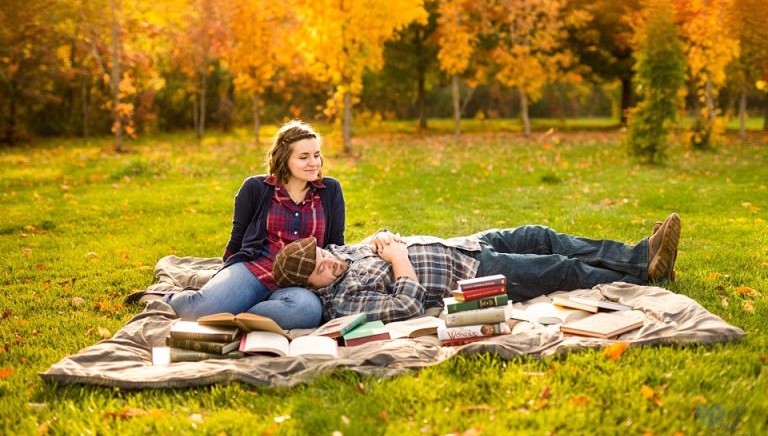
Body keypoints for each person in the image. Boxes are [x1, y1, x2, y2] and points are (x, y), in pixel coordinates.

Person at [271, 214, 682, 324]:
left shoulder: (341, 254)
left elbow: (377, 238)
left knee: (539, 234)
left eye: (319, 252)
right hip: (472, 274)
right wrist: (398, 260)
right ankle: (643, 275)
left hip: (465, 243)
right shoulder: (343, 302)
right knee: (557, 268)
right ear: (313, 288)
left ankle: (641, 255)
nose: (328, 260)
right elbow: (406, 307)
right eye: (319, 268)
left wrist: (380, 237)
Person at [152, 120, 346, 329]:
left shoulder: (330, 190)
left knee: (307, 312)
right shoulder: (255, 188)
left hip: (302, 281)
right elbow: (237, 239)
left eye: (316, 155)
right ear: (284, 158)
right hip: (257, 268)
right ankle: (166, 297)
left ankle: (236, 310)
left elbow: (335, 244)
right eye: (303, 157)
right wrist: (226, 276)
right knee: (202, 311)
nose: (314, 163)